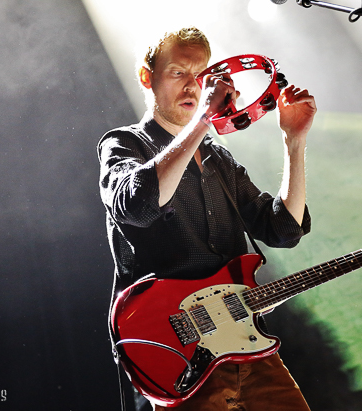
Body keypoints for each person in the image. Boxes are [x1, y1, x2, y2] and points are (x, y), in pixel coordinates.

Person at [97, 27, 316, 410]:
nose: (192, 87)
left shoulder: (220, 158)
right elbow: (138, 204)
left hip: (244, 343)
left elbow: (282, 230)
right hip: (177, 354)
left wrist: (293, 142)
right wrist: (203, 120)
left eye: (201, 77)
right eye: (178, 72)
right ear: (147, 77)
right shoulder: (124, 143)